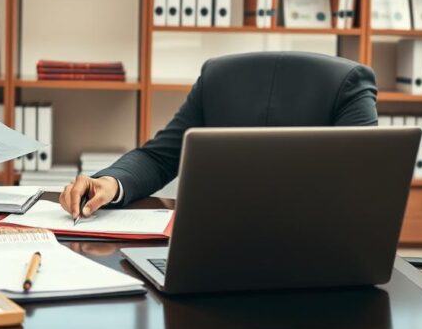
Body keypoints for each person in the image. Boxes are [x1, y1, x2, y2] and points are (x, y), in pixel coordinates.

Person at [59, 51, 378, 218]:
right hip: (213, 244)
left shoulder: (350, 84)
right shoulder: (215, 80)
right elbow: (158, 158)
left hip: (320, 255)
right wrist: (111, 183)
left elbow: (362, 186)